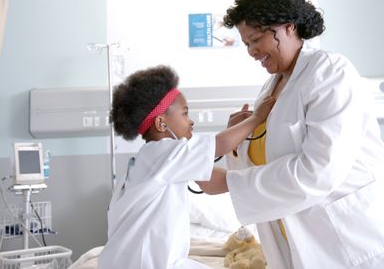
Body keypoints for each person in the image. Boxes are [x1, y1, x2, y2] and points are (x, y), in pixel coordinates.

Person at [198, 0, 384, 268]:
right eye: (246, 44)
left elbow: (319, 170)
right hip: (316, 244)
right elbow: (268, 166)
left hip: (368, 241)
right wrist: (240, 142)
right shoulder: (271, 88)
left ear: (287, 27)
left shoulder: (330, 72)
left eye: (255, 40)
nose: (252, 52)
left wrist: (228, 183)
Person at [98, 65, 275, 269]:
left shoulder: (152, 160)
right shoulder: (162, 152)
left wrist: (258, 180)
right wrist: (256, 119)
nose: (192, 122)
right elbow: (219, 145)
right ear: (161, 124)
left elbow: (211, 183)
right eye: (185, 113)